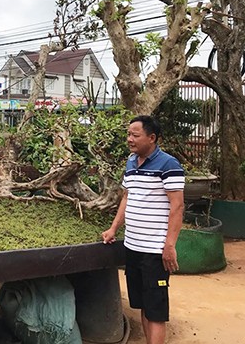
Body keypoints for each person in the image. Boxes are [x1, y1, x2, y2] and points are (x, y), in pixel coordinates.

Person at [102, 115, 184, 344]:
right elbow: (127, 197)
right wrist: (113, 228)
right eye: (128, 134)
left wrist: (169, 246)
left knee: (156, 311)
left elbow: (177, 207)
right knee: (143, 306)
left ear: (152, 138)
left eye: (135, 135)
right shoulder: (130, 162)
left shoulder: (169, 165)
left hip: (154, 251)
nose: (129, 139)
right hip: (133, 246)